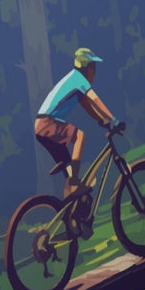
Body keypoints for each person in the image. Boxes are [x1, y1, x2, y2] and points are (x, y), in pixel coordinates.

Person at [35, 47, 117, 197]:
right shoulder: (79, 79)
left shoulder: (74, 81)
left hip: (41, 127)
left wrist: (101, 120)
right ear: (87, 69)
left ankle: (71, 209)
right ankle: (74, 184)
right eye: (94, 68)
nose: (95, 73)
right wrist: (113, 120)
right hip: (47, 123)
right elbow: (95, 100)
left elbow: (88, 106)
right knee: (79, 135)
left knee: (69, 168)